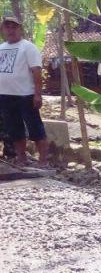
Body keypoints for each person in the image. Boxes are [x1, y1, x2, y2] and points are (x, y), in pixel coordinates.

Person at [0, 15, 48, 166]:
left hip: (25, 95)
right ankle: (21, 158)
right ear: (2, 30)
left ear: (20, 29)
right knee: (14, 129)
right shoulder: (1, 48)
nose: (10, 30)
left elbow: (36, 72)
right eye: (7, 27)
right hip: (5, 95)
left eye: (14, 27)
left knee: (35, 128)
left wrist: (38, 94)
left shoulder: (28, 47)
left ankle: (43, 161)